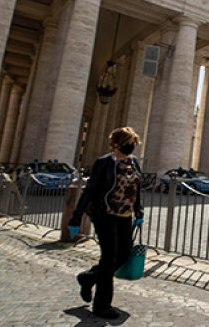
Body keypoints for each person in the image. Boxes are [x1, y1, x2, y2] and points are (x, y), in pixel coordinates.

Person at [67, 127, 144, 319]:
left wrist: (139, 211)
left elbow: (137, 188)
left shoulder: (133, 162)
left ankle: (88, 278)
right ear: (117, 144)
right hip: (106, 216)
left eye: (133, 143)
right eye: (129, 142)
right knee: (109, 258)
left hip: (125, 216)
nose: (131, 146)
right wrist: (76, 217)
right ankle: (101, 305)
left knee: (123, 255)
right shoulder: (103, 163)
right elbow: (90, 191)